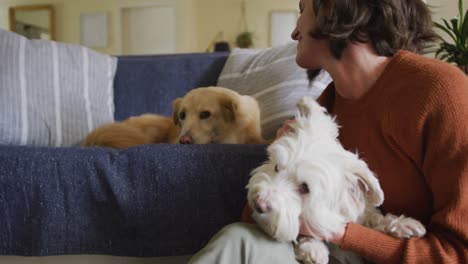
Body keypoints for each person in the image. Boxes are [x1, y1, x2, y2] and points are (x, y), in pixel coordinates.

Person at [188, 0, 468, 263]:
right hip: (328, 255)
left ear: (336, 10)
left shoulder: (442, 93)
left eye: (303, 8)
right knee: (239, 240)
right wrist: (278, 164)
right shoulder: (325, 108)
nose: (295, 31)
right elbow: (257, 220)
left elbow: (459, 253)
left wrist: (343, 233)